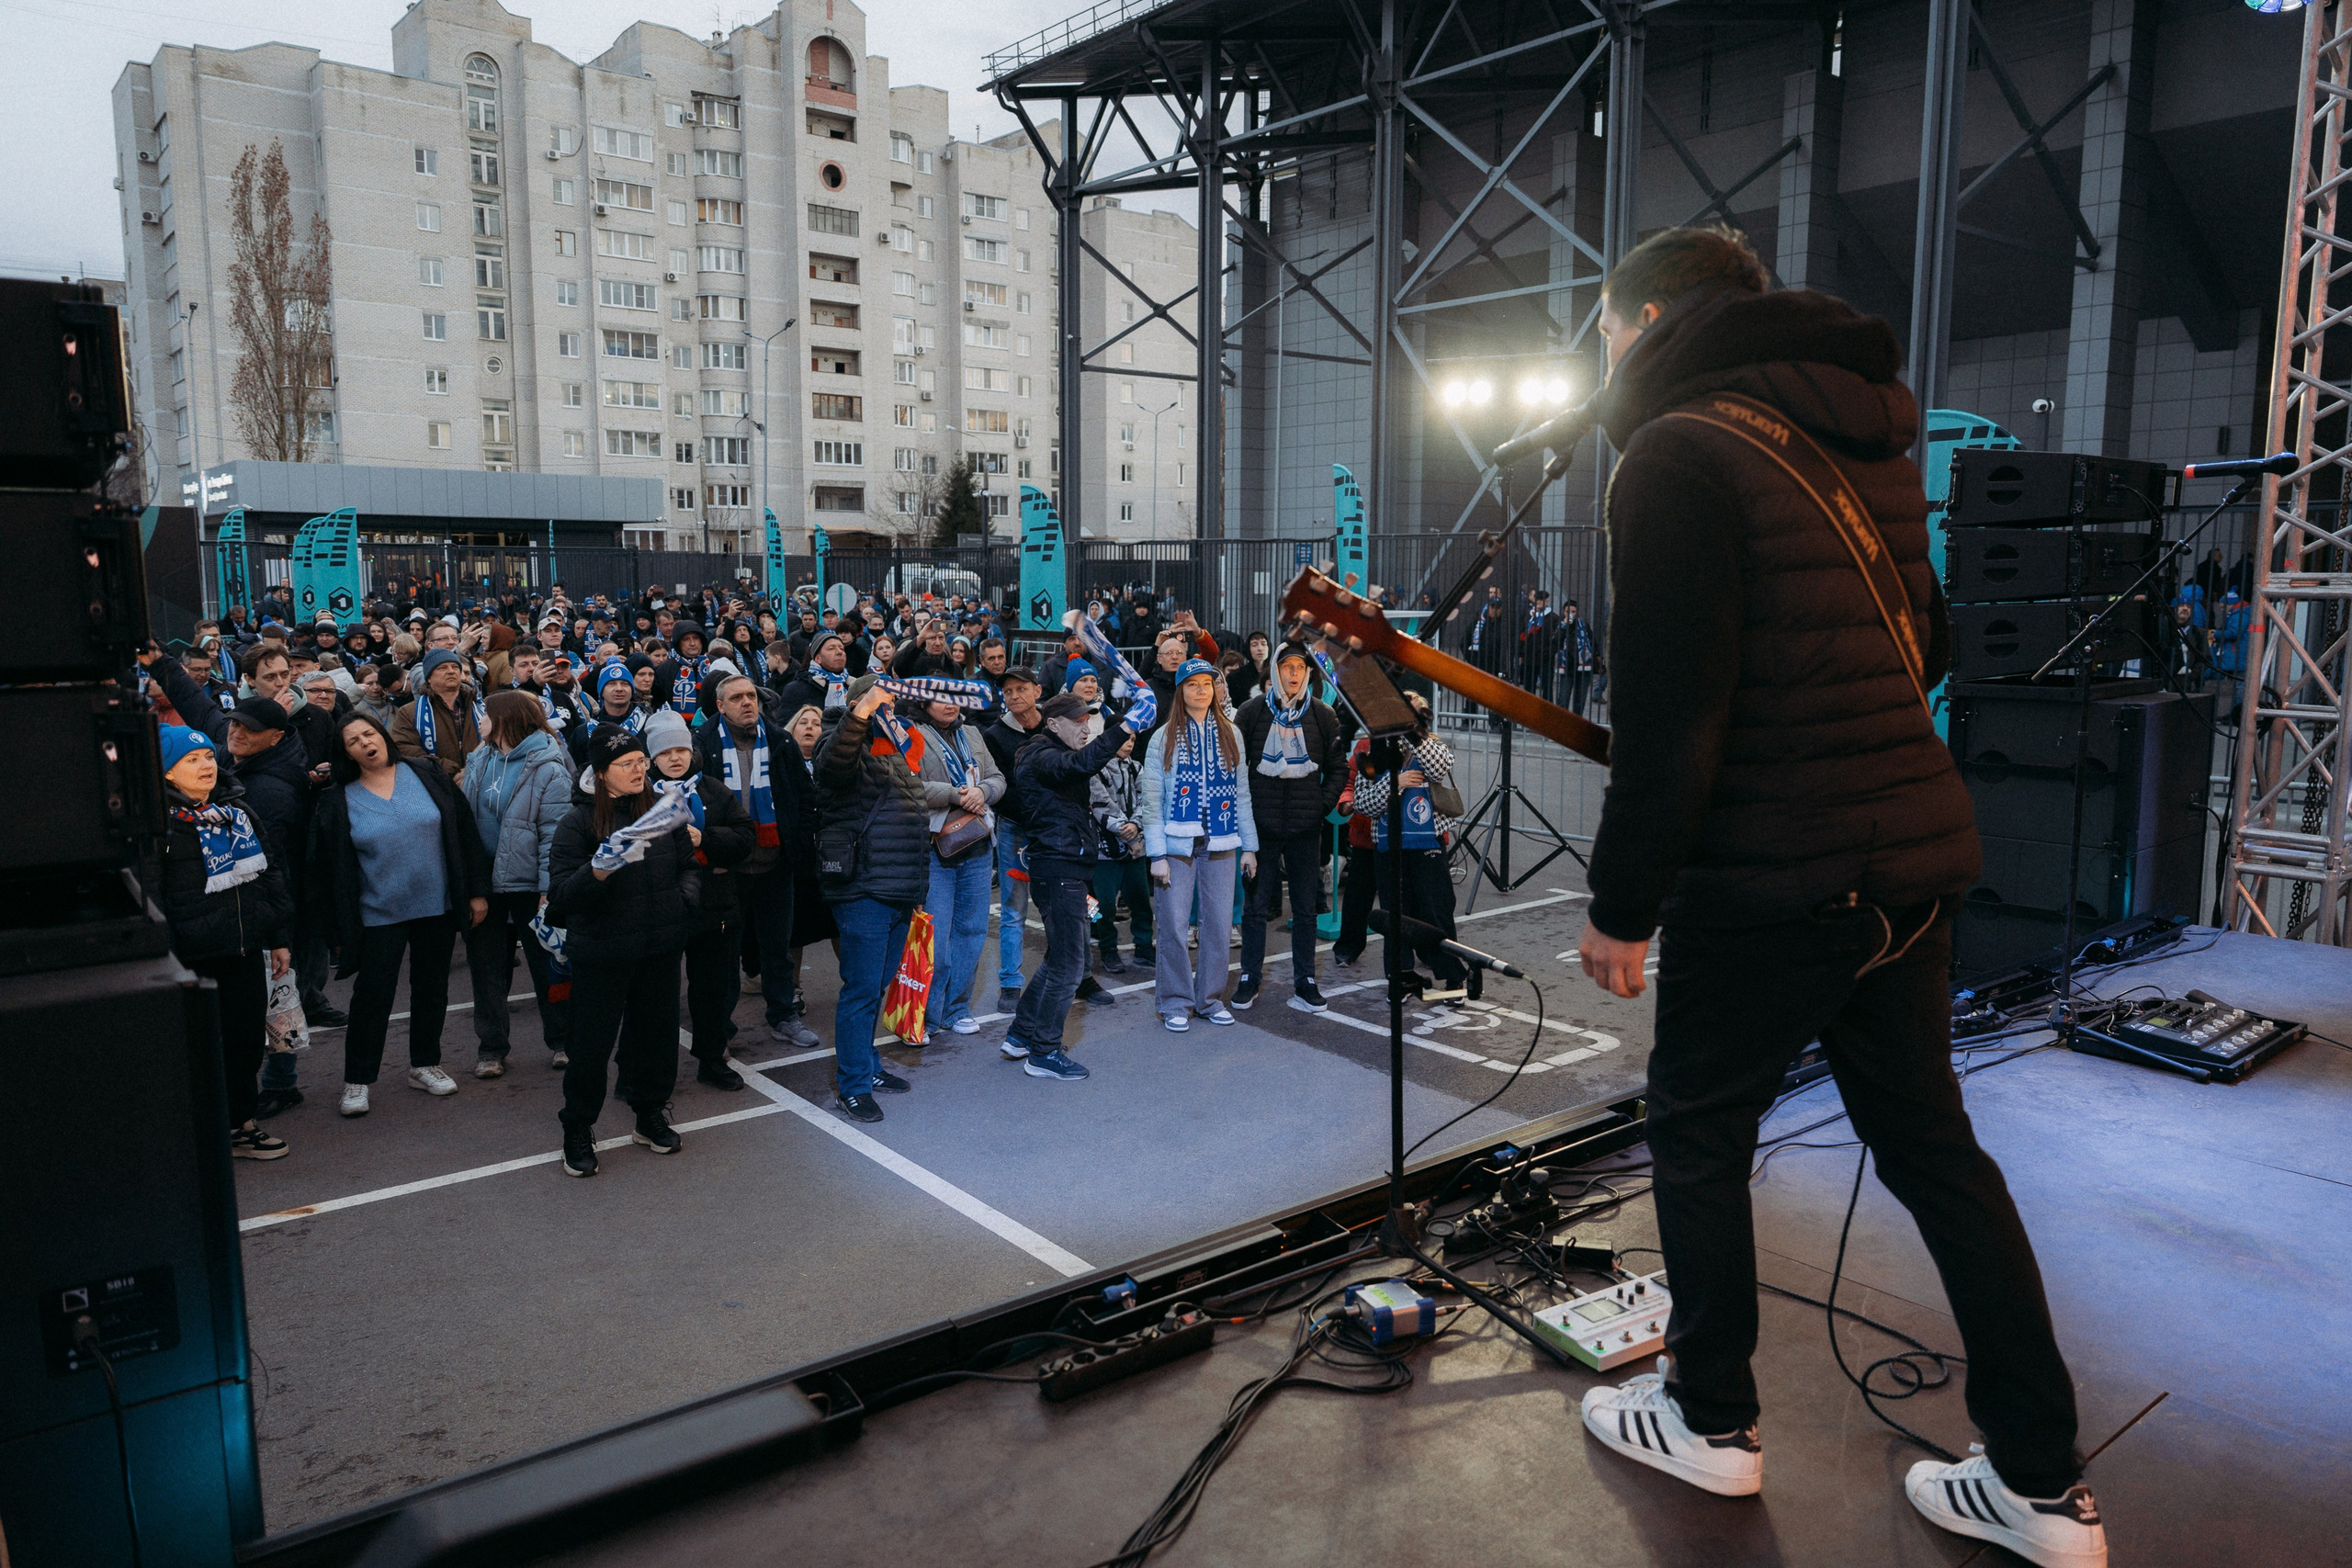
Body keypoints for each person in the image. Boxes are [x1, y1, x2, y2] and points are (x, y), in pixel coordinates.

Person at [1568, 224, 2103, 1568]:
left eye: (1605, 330)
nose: (1602, 355)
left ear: (1648, 320)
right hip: (1909, 855)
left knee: (1697, 1129)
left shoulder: (1675, 452)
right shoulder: (1866, 435)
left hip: (1772, 872)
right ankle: (2042, 1484)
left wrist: (1624, 904)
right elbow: (1926, 641)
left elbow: (1674, 720)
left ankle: (1709, 1417)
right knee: (1936, 1157)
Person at [311, 711, 491, 1118]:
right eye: (353, 741)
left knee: (432, 988)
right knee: (372, 996)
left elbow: (464, 831)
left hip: (437, 906)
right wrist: (335, 928)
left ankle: (424, 1064)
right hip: (379, 912)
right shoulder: (337, 799)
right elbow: (327, 869)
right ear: (346, 753)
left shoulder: (425, 772)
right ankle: (358, 1080)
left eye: (368, 733)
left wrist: (477, 892)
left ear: (383, 735)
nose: (365, 742)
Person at [548, 726, 699, 1175]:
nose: (638, 770)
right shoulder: (577, 823)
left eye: (641, 762)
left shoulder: (660, 811)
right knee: (590, 1047)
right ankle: (577, 1128)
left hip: (659, 948)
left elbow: (689, 868)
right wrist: (597, 870)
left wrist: (682, 903)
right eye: (626, 764)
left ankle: (649, 1115)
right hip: (603, 953)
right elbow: (561, 897)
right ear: (600, 774)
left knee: (657, 1040)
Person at [154, 725, 295, 1160]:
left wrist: (278, 936)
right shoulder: (160, 825)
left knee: (245, 1044)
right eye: (191, 759)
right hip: (191, 958)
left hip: (243, 949)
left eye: (208, 757)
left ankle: (240, 1126)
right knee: (196, 1050)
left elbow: (269, 875)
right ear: (167, 772)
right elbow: (151, 896)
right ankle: (197, 1136)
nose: (206, 766)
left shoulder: (237, 810)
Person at [1003, 690, 1154, 1078]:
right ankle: (1044, 1053)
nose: (1087, 729)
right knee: (1070, 966)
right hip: (1059, 870)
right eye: (1079, 722)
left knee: (1060, 958)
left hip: (1065, 868)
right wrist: (1127, 726)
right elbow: (1082, 763)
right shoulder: (1041, 755)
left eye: (1090, 721)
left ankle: (1021, 1036)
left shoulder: (1048, 752)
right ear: (1053, 724)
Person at [812, 678, 932, 1122]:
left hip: (898, 888)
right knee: (861, 990)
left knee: (876, 985)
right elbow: (832, 766)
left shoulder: (897, 748)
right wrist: (860, 713)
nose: (891, 708)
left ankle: (867, 1065)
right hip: (863, 889)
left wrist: (916, 891)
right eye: (883, 701)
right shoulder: (838, 740)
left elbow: (913, 821)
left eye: (893, 702)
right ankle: (854, 1085)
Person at [697, 671, 820, 1047]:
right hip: (725, 869)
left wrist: (795, 849)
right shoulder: (703, 743)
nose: (747, 703)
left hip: (774, 866)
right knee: (724, 956)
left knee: (777, 950)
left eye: (751, 696)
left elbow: (805, 799)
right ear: (720, 706)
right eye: (737, 698)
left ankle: (784, 1016)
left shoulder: (780, 740)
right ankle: (720, 1031)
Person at [459, 691, 577, 1076]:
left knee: (548, 967)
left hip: (529, 886)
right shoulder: (479, 758)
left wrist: (548, 891)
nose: (479, 721)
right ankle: (491, 1049)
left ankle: (563, 1041)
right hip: (487, 884)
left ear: (506, 719)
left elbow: (554, 836)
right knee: (487, 969)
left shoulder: (548, 766)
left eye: (486, 715)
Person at [1138, 659, 1257, 1031]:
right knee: (1173, 925)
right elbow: (1152, 800)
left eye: (1208, 683)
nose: (1202, 690)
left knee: (1219, 924)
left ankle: (1209, 999)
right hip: (1176, 845)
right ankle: (1175, 1002)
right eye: (1193, 684)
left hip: (1222, 841)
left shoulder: (1232, 734)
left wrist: (1249, 847)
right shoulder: (1162, 737)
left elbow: (1242, 795)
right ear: (1181, 691)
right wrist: (1157, 854)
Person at [645, 710, 759, 1089]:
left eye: (681, 750)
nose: (675, 758)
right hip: (661, 908)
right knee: (654, 996)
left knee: (712, 991)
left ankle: (711, 1060)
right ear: (653, 758)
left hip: (715, 906)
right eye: (665, 753)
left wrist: (705, 839)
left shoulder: (713, 789)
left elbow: (745, 837)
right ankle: (640, 1071)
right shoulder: (640, 794)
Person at [1232, 643, 1345, 1012]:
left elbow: (1339, 768)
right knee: (1255, 908)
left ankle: (1305, 980)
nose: (1294, 673)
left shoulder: (1323, 715)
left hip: (1305, 829)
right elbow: (1234, 767)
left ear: (1308, 673)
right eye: (1287, 666)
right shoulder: (1251, 712)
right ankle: (1249, 977)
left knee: (1306, 909)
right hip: (1260, 829)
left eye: (1300, 667)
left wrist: (1320, 806)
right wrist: (1245, 815)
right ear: (1275, 671)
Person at [1351, 691, 1470, 995]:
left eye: (1415, 714)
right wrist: (1396, 783)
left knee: (1437, 910)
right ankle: (1401, 977)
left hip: (1427, 842)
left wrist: (1414, 737)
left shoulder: (1433, 745)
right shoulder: (1373, 749)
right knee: (1395, 915)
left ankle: (1453, 977)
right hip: (1389, 846)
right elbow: (1363, 803)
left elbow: (1439, 769)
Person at [911, 690, 1006, 1036]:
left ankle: (957, 1008)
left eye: (954, 696)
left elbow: (997, 778)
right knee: (935, 936)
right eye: (940, 698)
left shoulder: (973, 733)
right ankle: (927, 1015)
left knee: (972, 931)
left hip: (977, 845)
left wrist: (983, 792)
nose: (950, 703)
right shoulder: (912, 734)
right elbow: (910, 786)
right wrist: (956, 794)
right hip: (936, 846)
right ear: (924, 704)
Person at [982, 666, 1047, 1012]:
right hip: (1015, 829)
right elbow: (999, 787)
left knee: (1068, 907)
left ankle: (1079, 975)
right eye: (1008, 691)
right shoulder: (995, 735)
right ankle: (1010, 983)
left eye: (1021, 688)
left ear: (1038, 691)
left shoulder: (1055, 724)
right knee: (1013, 908)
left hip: (1055, 829)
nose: (1014, 696)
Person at [1088, 721, 1154, 975]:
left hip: (1135, 849)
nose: (1129, 744)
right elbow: (1101, 805)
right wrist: (1126, 831)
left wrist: (1136, 825)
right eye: (1125, 738)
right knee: (1102, 906)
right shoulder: (1095, 769)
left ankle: (1144, 946)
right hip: (1105, 852)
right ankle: (1108, 949)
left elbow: (1146, 800)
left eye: (1133, 740)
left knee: (1141, 902)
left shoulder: (1137, 768)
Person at [392, 647, 485, 782]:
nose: (451, 671)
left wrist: (470, 770)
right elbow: (403, 748)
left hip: (481, 779)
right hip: (438, 782)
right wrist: (447, 769)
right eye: (442, 668)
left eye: (455, 667)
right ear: (429, 677)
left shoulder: (482, 707)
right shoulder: (410, 712)